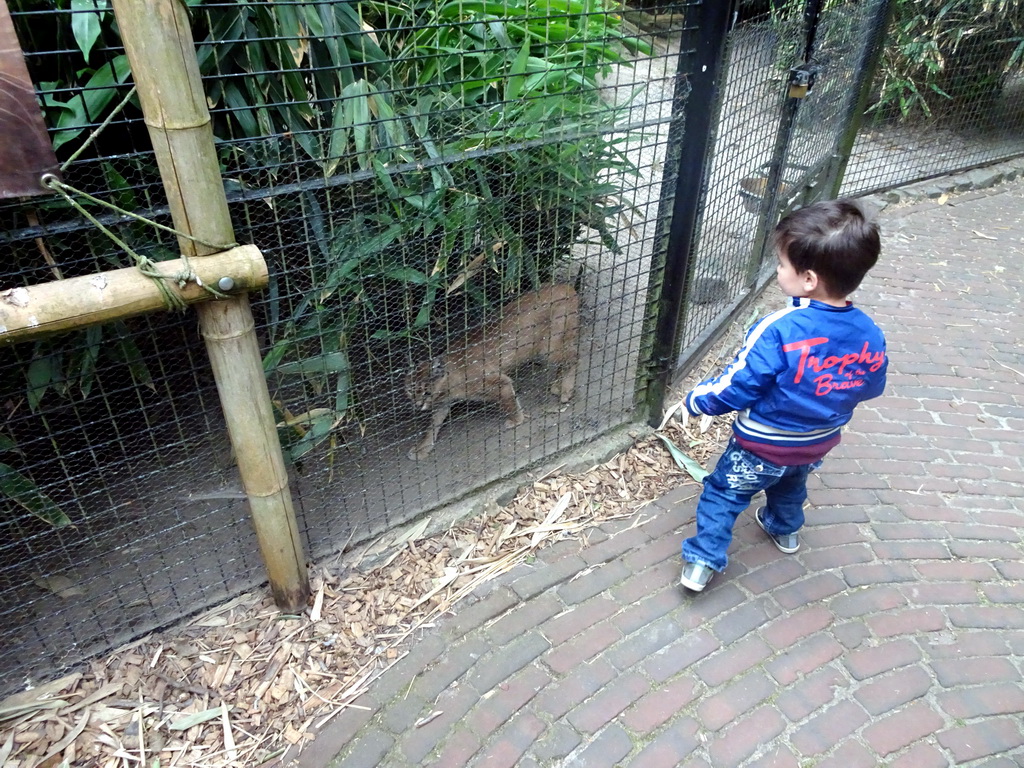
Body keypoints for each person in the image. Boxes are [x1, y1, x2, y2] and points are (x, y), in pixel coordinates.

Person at [678, 198, 888, 592]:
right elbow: (872, 386)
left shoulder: (778, 328)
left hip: (761, 444)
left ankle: (703, 560)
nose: (777, 270)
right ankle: (785, 530)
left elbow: (741, 383)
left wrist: (698, 400)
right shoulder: (869, 331)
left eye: (781, 265)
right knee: (791, 482)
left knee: (724, 492)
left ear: (808, 279)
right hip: (816, 442)